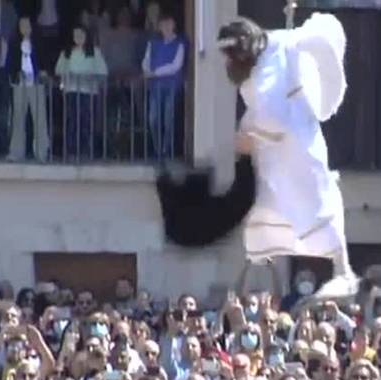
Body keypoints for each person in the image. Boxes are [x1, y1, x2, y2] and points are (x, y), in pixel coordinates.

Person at [217, 15, 359, 300]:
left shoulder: (267, 70)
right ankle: (267, 259)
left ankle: (342, 270)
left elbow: (274, 119)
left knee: (319, 198)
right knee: (273, 203)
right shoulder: (273, 46)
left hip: (296, 142)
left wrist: (247, 131)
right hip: (277, 150)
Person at [55, 24, 108, 160]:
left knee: (86, 121)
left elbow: (103, 71)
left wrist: (89, 77)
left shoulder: (94, 52)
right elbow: (58, 70)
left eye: (81, 35)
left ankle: (86, 151)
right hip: (71, 90)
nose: (78, 38)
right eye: (75, 35)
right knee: (71, 121)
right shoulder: (66, 52)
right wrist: (68, 75)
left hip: (88, 91)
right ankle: (70, 151)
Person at [6, 16, 50, 162]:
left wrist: (43, 72)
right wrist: (16, 74)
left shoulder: (39, 43)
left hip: (36, 84)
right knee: (18, 118)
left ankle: (41, 152)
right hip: (20, 85)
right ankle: (16, 152)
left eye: (27, 25)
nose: (24, 29)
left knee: (39, 119)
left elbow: (45, 61)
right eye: (21, 26)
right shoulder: (14, 44)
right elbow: (10, 64)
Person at [142, 12, 186, 159]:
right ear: (159, 27)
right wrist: (147, 70)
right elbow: (146, 59)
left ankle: (167, 150)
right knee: (153, 119)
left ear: (174, 25)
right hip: (155, 87)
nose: (166, 27)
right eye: (163, 24)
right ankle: (158, 149)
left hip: (172, 87)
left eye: (169, 24)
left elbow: (176, 65)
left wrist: (155, 73)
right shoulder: (153, 42)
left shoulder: (180, 42)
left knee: (169, 120)